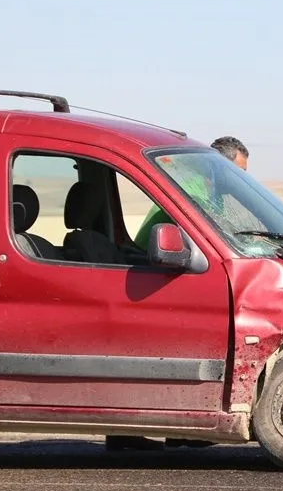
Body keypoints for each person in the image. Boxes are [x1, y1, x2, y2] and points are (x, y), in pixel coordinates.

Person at [106, 137, 250, 452]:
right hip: (152, 266)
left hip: (164, 265)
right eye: (236, 172)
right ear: (218, 167)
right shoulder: (198, 191)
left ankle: (171, 431)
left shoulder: (207, 189)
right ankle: (163, 431)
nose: (239, 181)